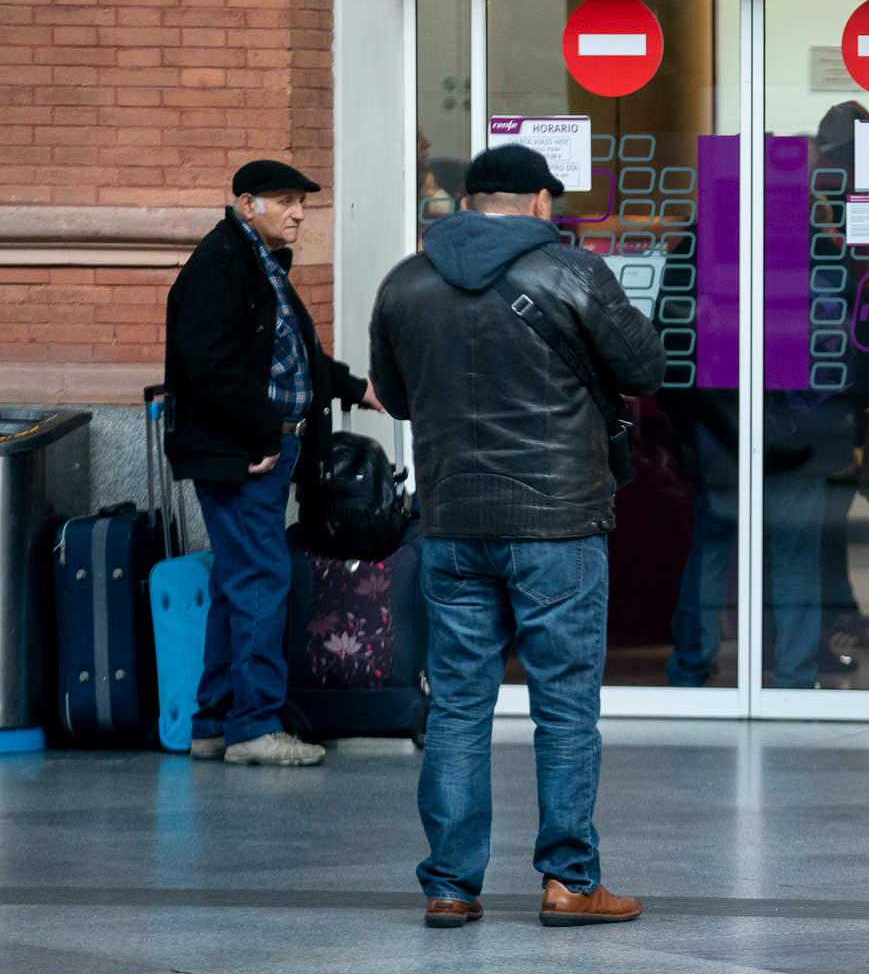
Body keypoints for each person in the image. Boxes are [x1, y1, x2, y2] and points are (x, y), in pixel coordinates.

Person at [368, 144, 666, 930]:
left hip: (453, 524)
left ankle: (450, 885)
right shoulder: (573, 271)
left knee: (459, 707)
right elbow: (645, 367)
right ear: (539, 202)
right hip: (557, 526)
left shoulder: (405, 281)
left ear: (469, 201)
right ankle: (569, 881)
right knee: (564, 708)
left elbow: (395, 397)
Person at [164, 159, 381, 768]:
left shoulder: (260, 266)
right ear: (248, 202)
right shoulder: (220, 266)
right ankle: (254, 726)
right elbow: (210, 366)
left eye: (302, 202)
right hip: (245, 453)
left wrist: (355, 386)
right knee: (261, 577)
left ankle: (213, 722)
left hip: (259, 447)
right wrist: (260, 433)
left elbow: (295, 359)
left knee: (238, 583)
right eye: (285, 201)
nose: (298, 213)